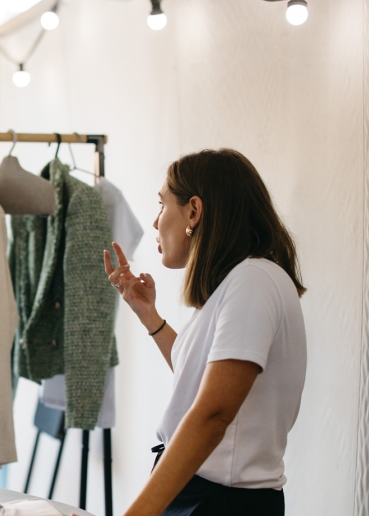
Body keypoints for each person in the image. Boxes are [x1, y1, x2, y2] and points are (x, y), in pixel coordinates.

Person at [105, 149, 306, 516]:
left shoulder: (253, 281)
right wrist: (149, 316)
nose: (154, 222)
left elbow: (213, 412)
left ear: (194, 212)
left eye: (162, 204)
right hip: (205, 496)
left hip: (219, 502)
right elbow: (201, 380)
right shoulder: (242, 281)